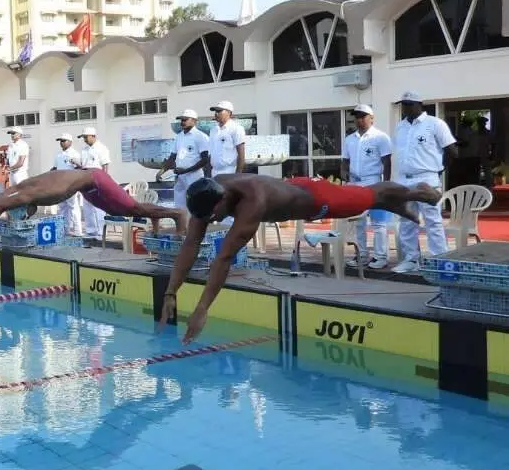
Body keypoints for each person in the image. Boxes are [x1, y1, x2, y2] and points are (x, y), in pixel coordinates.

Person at [160, 174, 442, 343]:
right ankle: (400, 202)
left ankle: (415, 192)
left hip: (315, 198)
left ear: (220, 202)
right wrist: (171, 292)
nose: (211, 221)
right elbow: (191, 243)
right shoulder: (212, 190)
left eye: (212, 216)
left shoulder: (252, 203)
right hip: (291, 189)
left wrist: (202, 308)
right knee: (370, 198)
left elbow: (223, 259)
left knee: (367, 196)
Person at [0, 168, 186, 235]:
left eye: (24, 215)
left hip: (95, 179)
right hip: (88, 186)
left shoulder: (25, 195)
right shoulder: (17, 191)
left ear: (24, 208)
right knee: (121, 210)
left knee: (130, 207)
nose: (27, 216)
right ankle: (156, 219)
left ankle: (176, 215)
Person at [391, 91, 457, 274]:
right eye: (403, 104)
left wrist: (438, 170)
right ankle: (411, 260)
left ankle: (439, 260)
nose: (405, 108)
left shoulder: (435, 124)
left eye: (409, 104)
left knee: (432, 221)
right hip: (404, 180)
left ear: (419, 105)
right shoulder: (400, 127)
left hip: (427, 178)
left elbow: (452, 151)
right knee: (406, 221)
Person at [342, 104, 393, 271]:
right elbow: (345, 161)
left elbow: (387, 162)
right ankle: (361, 255)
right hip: (355, 184)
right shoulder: (349, 139)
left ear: (372, 118)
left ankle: (380, 256)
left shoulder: (380, 137)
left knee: (378, 223)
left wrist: (385, 185)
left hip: (374, 182)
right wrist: (345, 177)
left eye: (363, 116)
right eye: (357, 116)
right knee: (359, 222)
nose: (360, 120)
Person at [158, 109, 211, 209]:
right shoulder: (179, 137)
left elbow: (205, 160)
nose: (182, 122)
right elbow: (172, 157)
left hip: (194, 176)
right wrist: (162, 171)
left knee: (195, 204)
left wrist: (186, 170)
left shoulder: (201, 137)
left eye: (185, 120)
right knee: (179, 205)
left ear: (194, 121)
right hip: (180, 176)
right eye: (181, 120)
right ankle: (182, 224)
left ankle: (194, 224)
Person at [78, 127, 112, 238]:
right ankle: (90, 230)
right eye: (83, 137)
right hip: (86, 180)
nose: (84, 139)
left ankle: (101, 232)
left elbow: (105, 166)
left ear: (93, 136)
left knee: (99, 207)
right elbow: (84, 165)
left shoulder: (102, 148)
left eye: (86, 137)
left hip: (97, 180)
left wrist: (103, 183)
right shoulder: (84, 149)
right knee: (87, 206)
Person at [52, 133, 83, 236]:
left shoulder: (75, 154)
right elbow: (55, 169)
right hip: (60, 186)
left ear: (70, 142)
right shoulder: (59, 155)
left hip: (71, 185)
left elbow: (80, 168)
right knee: (62, 208)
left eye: (64, 141)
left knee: (73, 208)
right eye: (60, 141)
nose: (61, 143)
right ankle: (64, 230)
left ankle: (77, 231)